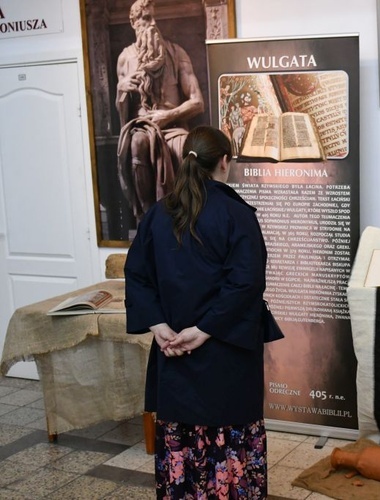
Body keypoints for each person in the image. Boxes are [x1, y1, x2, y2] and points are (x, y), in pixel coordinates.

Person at [124, 126, 268, 499]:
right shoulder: (237, 215)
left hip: (174, 352)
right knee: (227, 436)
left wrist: (159, 327)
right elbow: (246, 284)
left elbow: (137, 275)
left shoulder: (158, 214)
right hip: (226, 353)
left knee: (181, 440)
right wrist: (204, 330)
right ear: (224, 161)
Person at [116, 0, 205, 223]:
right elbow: (122, 113)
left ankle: (188, 216)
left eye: (155, 17)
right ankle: (148, 217)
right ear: (134, 22)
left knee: (186, 147)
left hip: (173, 126)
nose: (153, 23)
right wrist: (122, 90)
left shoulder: (176, 53)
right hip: (143, 126)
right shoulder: (125, 58)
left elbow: (197, 102)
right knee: (137, 143)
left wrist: (168, 115)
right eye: (146, 18)